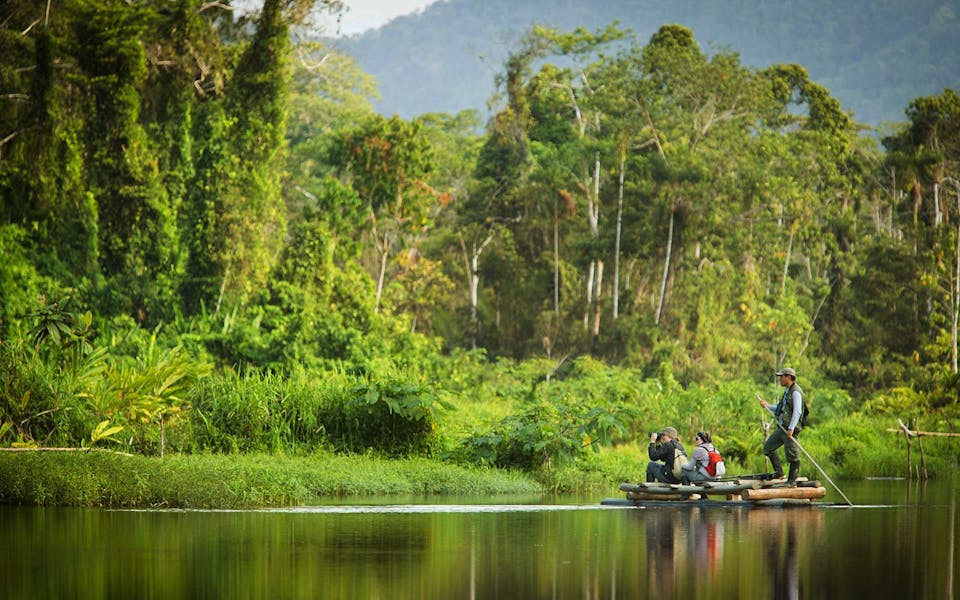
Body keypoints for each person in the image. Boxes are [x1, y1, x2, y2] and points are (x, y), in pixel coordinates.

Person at [758, 367, 804, 484]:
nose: (780, 379)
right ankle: (779, 473)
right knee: (768, 448)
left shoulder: (796, 392)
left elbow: (797, 411)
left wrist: (791, 428)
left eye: (781, 377)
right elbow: (781, 408)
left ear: (788, 377)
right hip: (782, 428)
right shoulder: (787, 391)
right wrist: (767, 405)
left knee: (793, 455)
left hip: (789, 429)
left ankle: (791, 481)